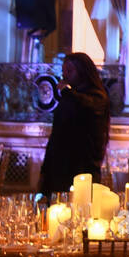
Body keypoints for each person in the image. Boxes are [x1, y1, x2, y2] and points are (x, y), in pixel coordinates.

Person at [38, 52, 111, 198]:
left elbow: (87, 106)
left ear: (83, 72)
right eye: (64, 71)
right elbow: (56, 135)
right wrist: (45, 170)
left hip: (82, 167)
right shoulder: (70, 97)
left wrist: (67, 91)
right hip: (59, 166)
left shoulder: (96, 96)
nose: (65, 75)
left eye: (70, 71)